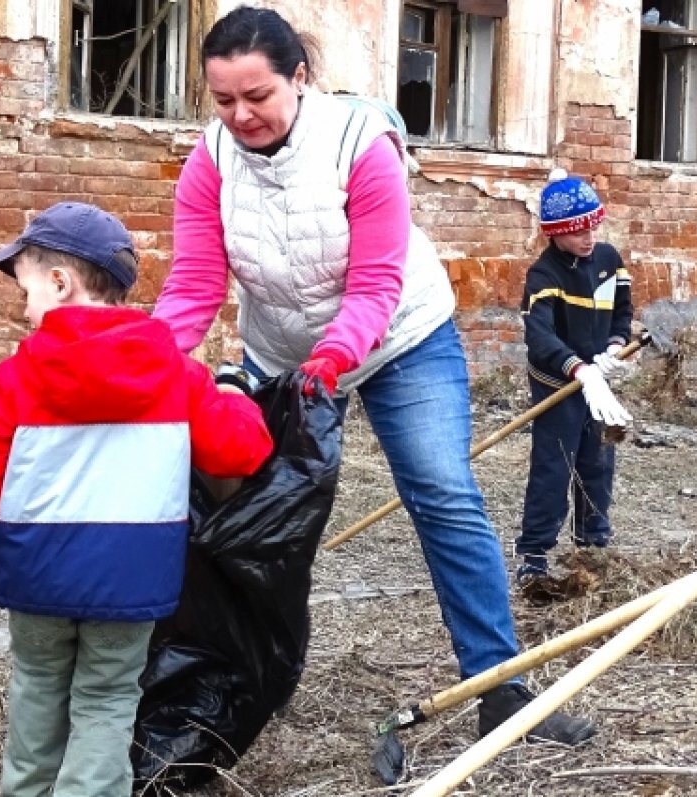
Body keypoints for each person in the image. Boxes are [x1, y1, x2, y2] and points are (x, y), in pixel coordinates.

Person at [151, 6, 596, 744]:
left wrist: (334, 357)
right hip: (283, 350)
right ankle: (241, 682)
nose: (240, 115)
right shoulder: (210, 158)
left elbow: (376, 280)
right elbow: (197, 281)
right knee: (249, 519)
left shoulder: (360, 142)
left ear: (300, 78)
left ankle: (501, 685)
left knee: (442, 490)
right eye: (224, 100)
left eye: (257, 96)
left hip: (399, 339)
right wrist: (144, 361)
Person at [0, 202, 274, 797]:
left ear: (59, 282)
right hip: (129, 582)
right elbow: (239, 452)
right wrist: (234, 392)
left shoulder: (19, 377)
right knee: (105, 700)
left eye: (26, 290)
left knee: (37, 690)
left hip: (36, 576)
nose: (25, 310)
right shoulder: (175, 373)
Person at [515, 169, 633, 583]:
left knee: (598, 462)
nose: (589, 237)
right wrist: (579, 368)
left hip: (600, 384)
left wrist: (616, 346)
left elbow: (622, 311)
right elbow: (540, 335)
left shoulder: (608, 260)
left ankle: (592, 545)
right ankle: (533, 553)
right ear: (556, 233)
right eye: (578, 231)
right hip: (560, 385)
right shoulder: (544, 275)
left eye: (594, 226)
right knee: (554, 466)